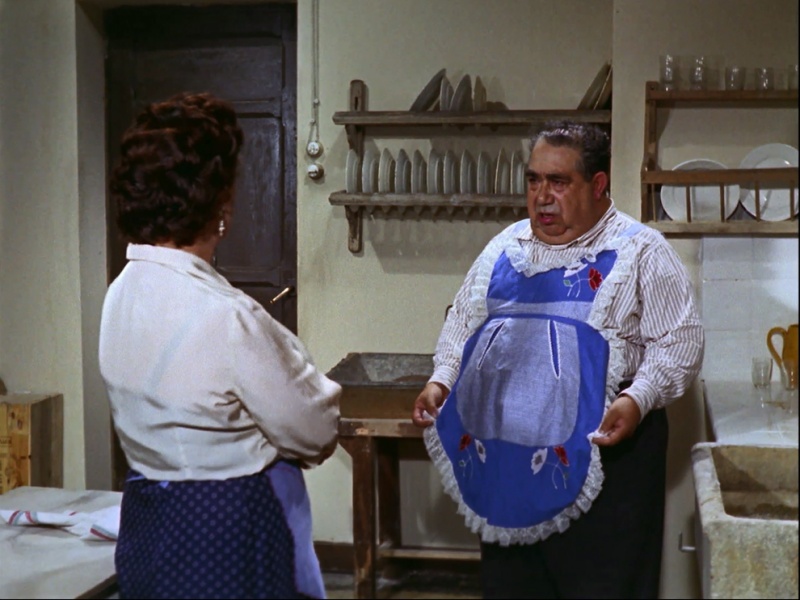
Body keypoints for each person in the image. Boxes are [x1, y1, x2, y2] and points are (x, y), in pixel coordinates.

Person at [411, 120, 703, 599]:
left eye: (559, 182)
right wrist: (441, 380)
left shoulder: (640, 250)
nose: (542, 196)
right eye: (533, 180)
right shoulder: (505, 249)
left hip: (609, 452)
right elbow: (464, 322)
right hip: (508, 467)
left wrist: (639, 397)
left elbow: (680, 340)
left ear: (598, 184)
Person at [99, 92, 341, 600]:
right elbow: (314, 430)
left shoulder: (119, 292)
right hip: (226, 533)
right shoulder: (229, 317)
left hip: (147, 526)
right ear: (219, 201)